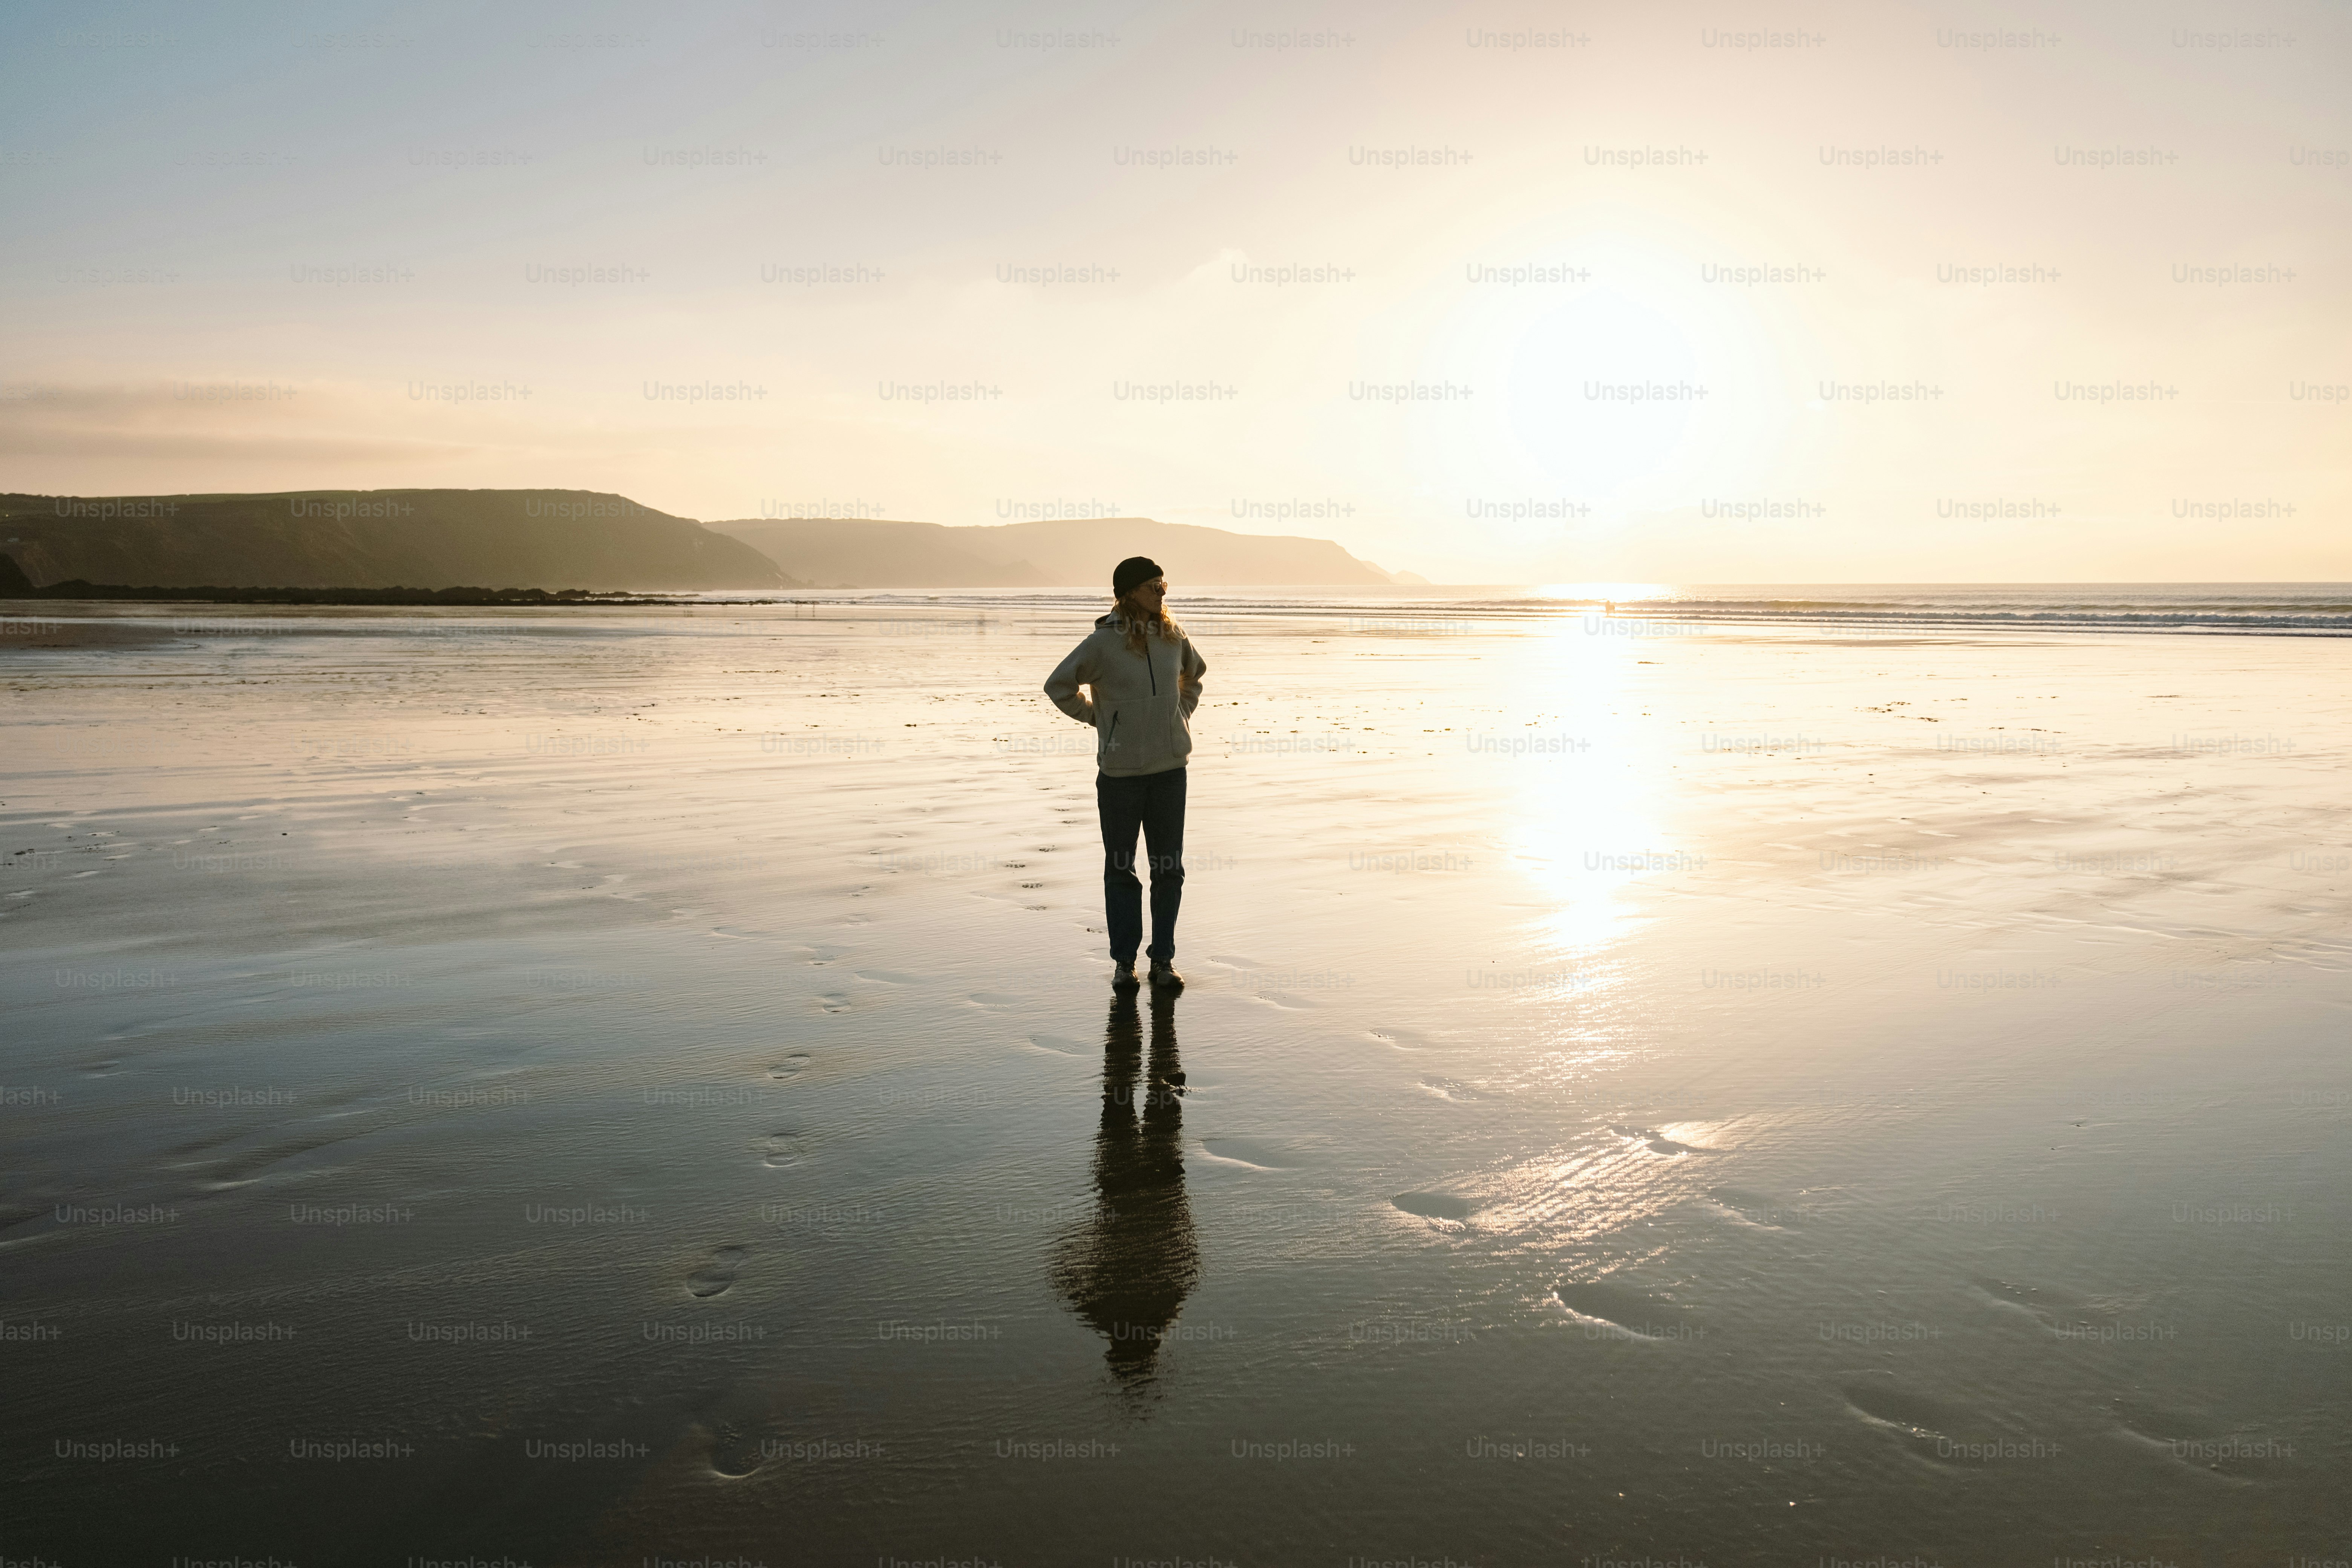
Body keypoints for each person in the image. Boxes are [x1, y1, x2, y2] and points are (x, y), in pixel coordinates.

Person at [1043, 556, 1206, 989]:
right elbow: (1058, 686)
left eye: (1163, 584)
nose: (1162, 591)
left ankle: (1164, 960)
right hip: (1120, 775)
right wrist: (1101, 718)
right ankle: (1124, 963)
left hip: (1170, 771)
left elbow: (1196, 677)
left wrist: (1180, 715)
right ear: (1130, 591)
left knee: (1168, 868)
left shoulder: (1173, 636)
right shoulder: (1103, 643)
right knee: (1121, 868)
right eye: (1154, 585)